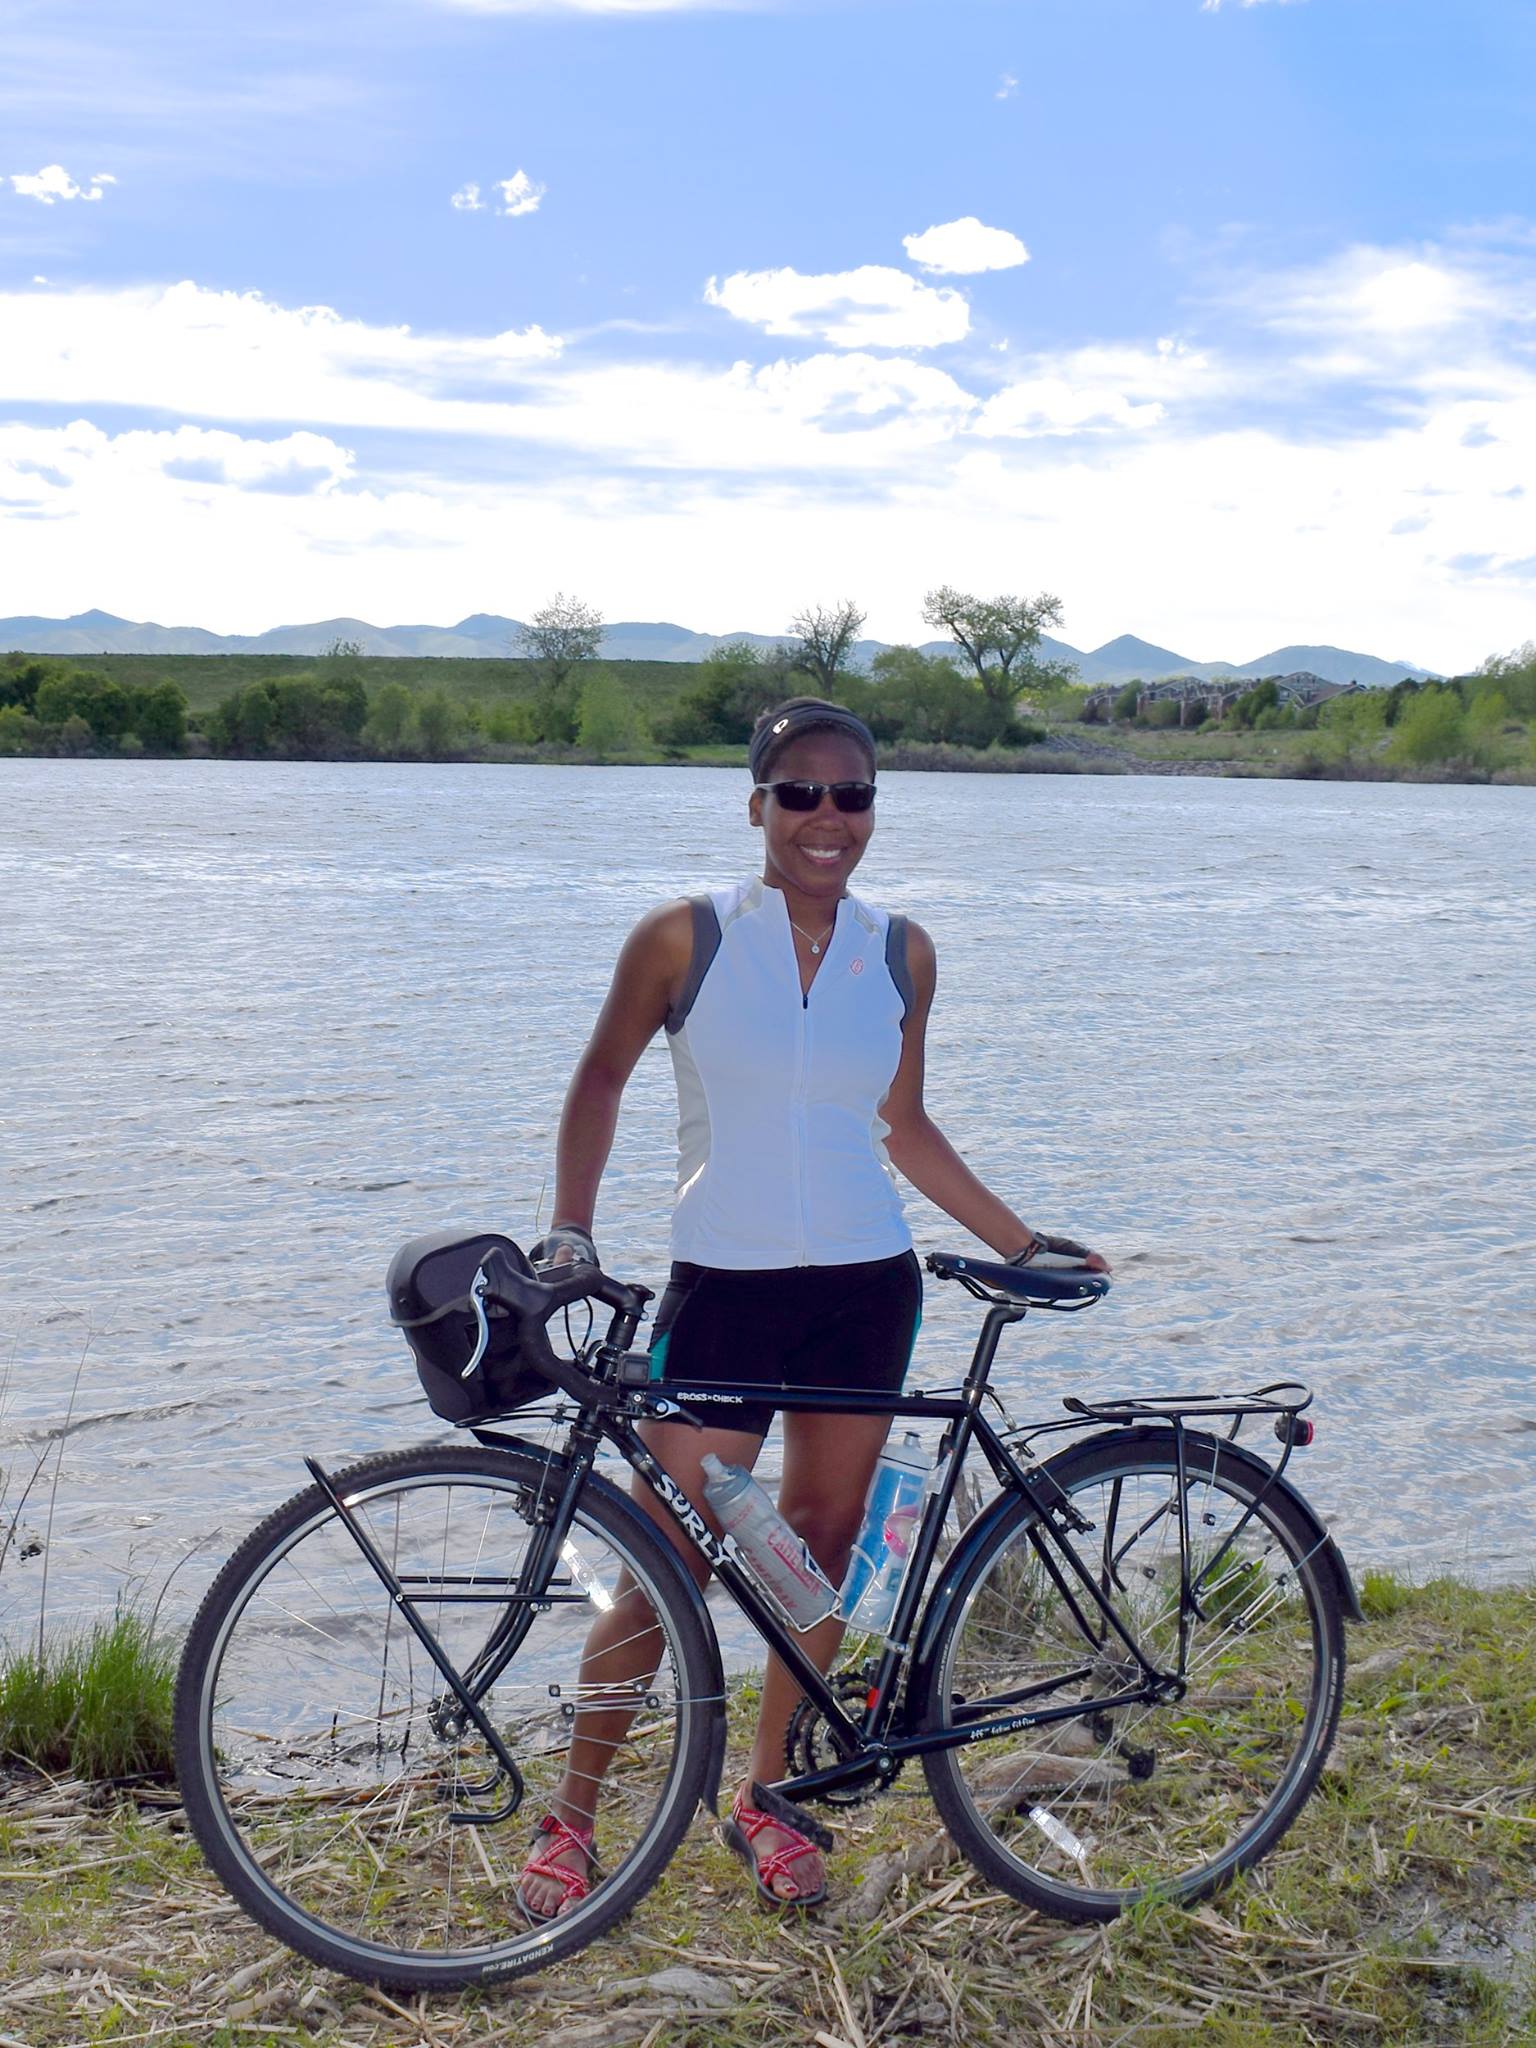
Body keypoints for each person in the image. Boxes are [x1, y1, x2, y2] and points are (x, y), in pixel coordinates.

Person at [518, 695, 1108, 1918]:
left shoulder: (901, 953)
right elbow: (600, 1077)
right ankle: (572, 1816)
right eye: (800, 793)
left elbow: (904, 1125)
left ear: (873, 809)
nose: (827, 816)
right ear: (758, 806)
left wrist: (1021, 1241)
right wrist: (571, 1229)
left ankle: (767, 1794)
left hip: (864, 1287)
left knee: (819, 1542)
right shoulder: (684, 937)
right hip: (722, 1287)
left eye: (852, 794)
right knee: (668, 1554)